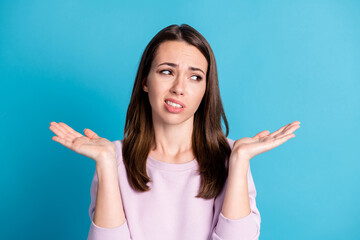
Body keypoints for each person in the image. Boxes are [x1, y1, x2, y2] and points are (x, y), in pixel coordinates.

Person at [49, 24, 300, 240]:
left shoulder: (231, 157)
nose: (179, 88)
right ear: (146, 82)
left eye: (195, 77)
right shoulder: (113, 159)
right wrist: (106, 163)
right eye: (167, 72)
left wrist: (239, 160)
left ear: (205, 90)